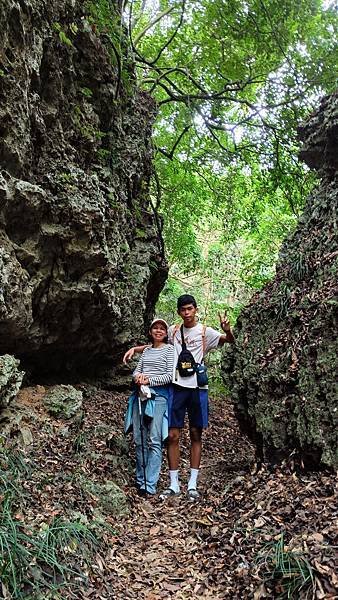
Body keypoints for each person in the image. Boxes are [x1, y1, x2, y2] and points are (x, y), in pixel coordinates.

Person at [123, 294, 234, 499]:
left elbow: (228, 341)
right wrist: (135, 349)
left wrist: (227, 330)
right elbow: (156, 344)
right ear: (178, 312)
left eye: (190, 309)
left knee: (195, 434)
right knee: (173, 435)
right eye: (183, 310)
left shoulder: (204, 332)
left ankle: (192, 483)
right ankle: (174, 483)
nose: (187, 313)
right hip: (177, 387)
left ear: (196, 309)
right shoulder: (174, 331)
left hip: (198, 388)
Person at [124, 318, 174, 497]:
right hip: (141, 396)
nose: (158, 331)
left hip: (159, 397)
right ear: (151, 331)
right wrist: (138, 378)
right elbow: (137, 370)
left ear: (166, 333)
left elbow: (169, 375)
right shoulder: (146, 351)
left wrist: (149, 380)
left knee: (154, 438)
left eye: (162, 328)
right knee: (139, 437)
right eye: (155, 328)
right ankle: (140, 479)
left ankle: (149, 483)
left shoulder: (169, 350)